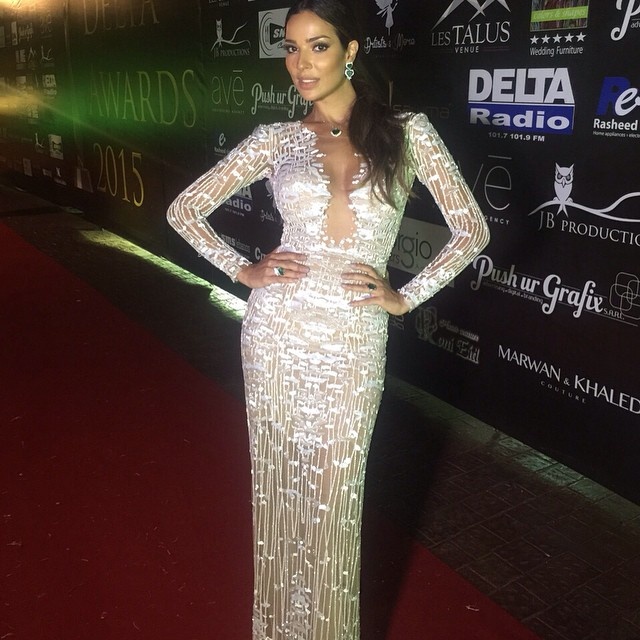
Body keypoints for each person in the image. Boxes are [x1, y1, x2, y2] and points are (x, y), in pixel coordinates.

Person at [167, 1, 489, 638]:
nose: (301, 63)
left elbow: (472, 229)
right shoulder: (276, 139)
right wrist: (243, 270)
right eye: (291, 48)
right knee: (280, 494)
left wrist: (406, 297)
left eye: (318, 46)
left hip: (353, 336)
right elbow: (184, 210)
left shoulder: (409, 131)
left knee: (336, 499)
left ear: (351, 51)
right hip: (277, 332)